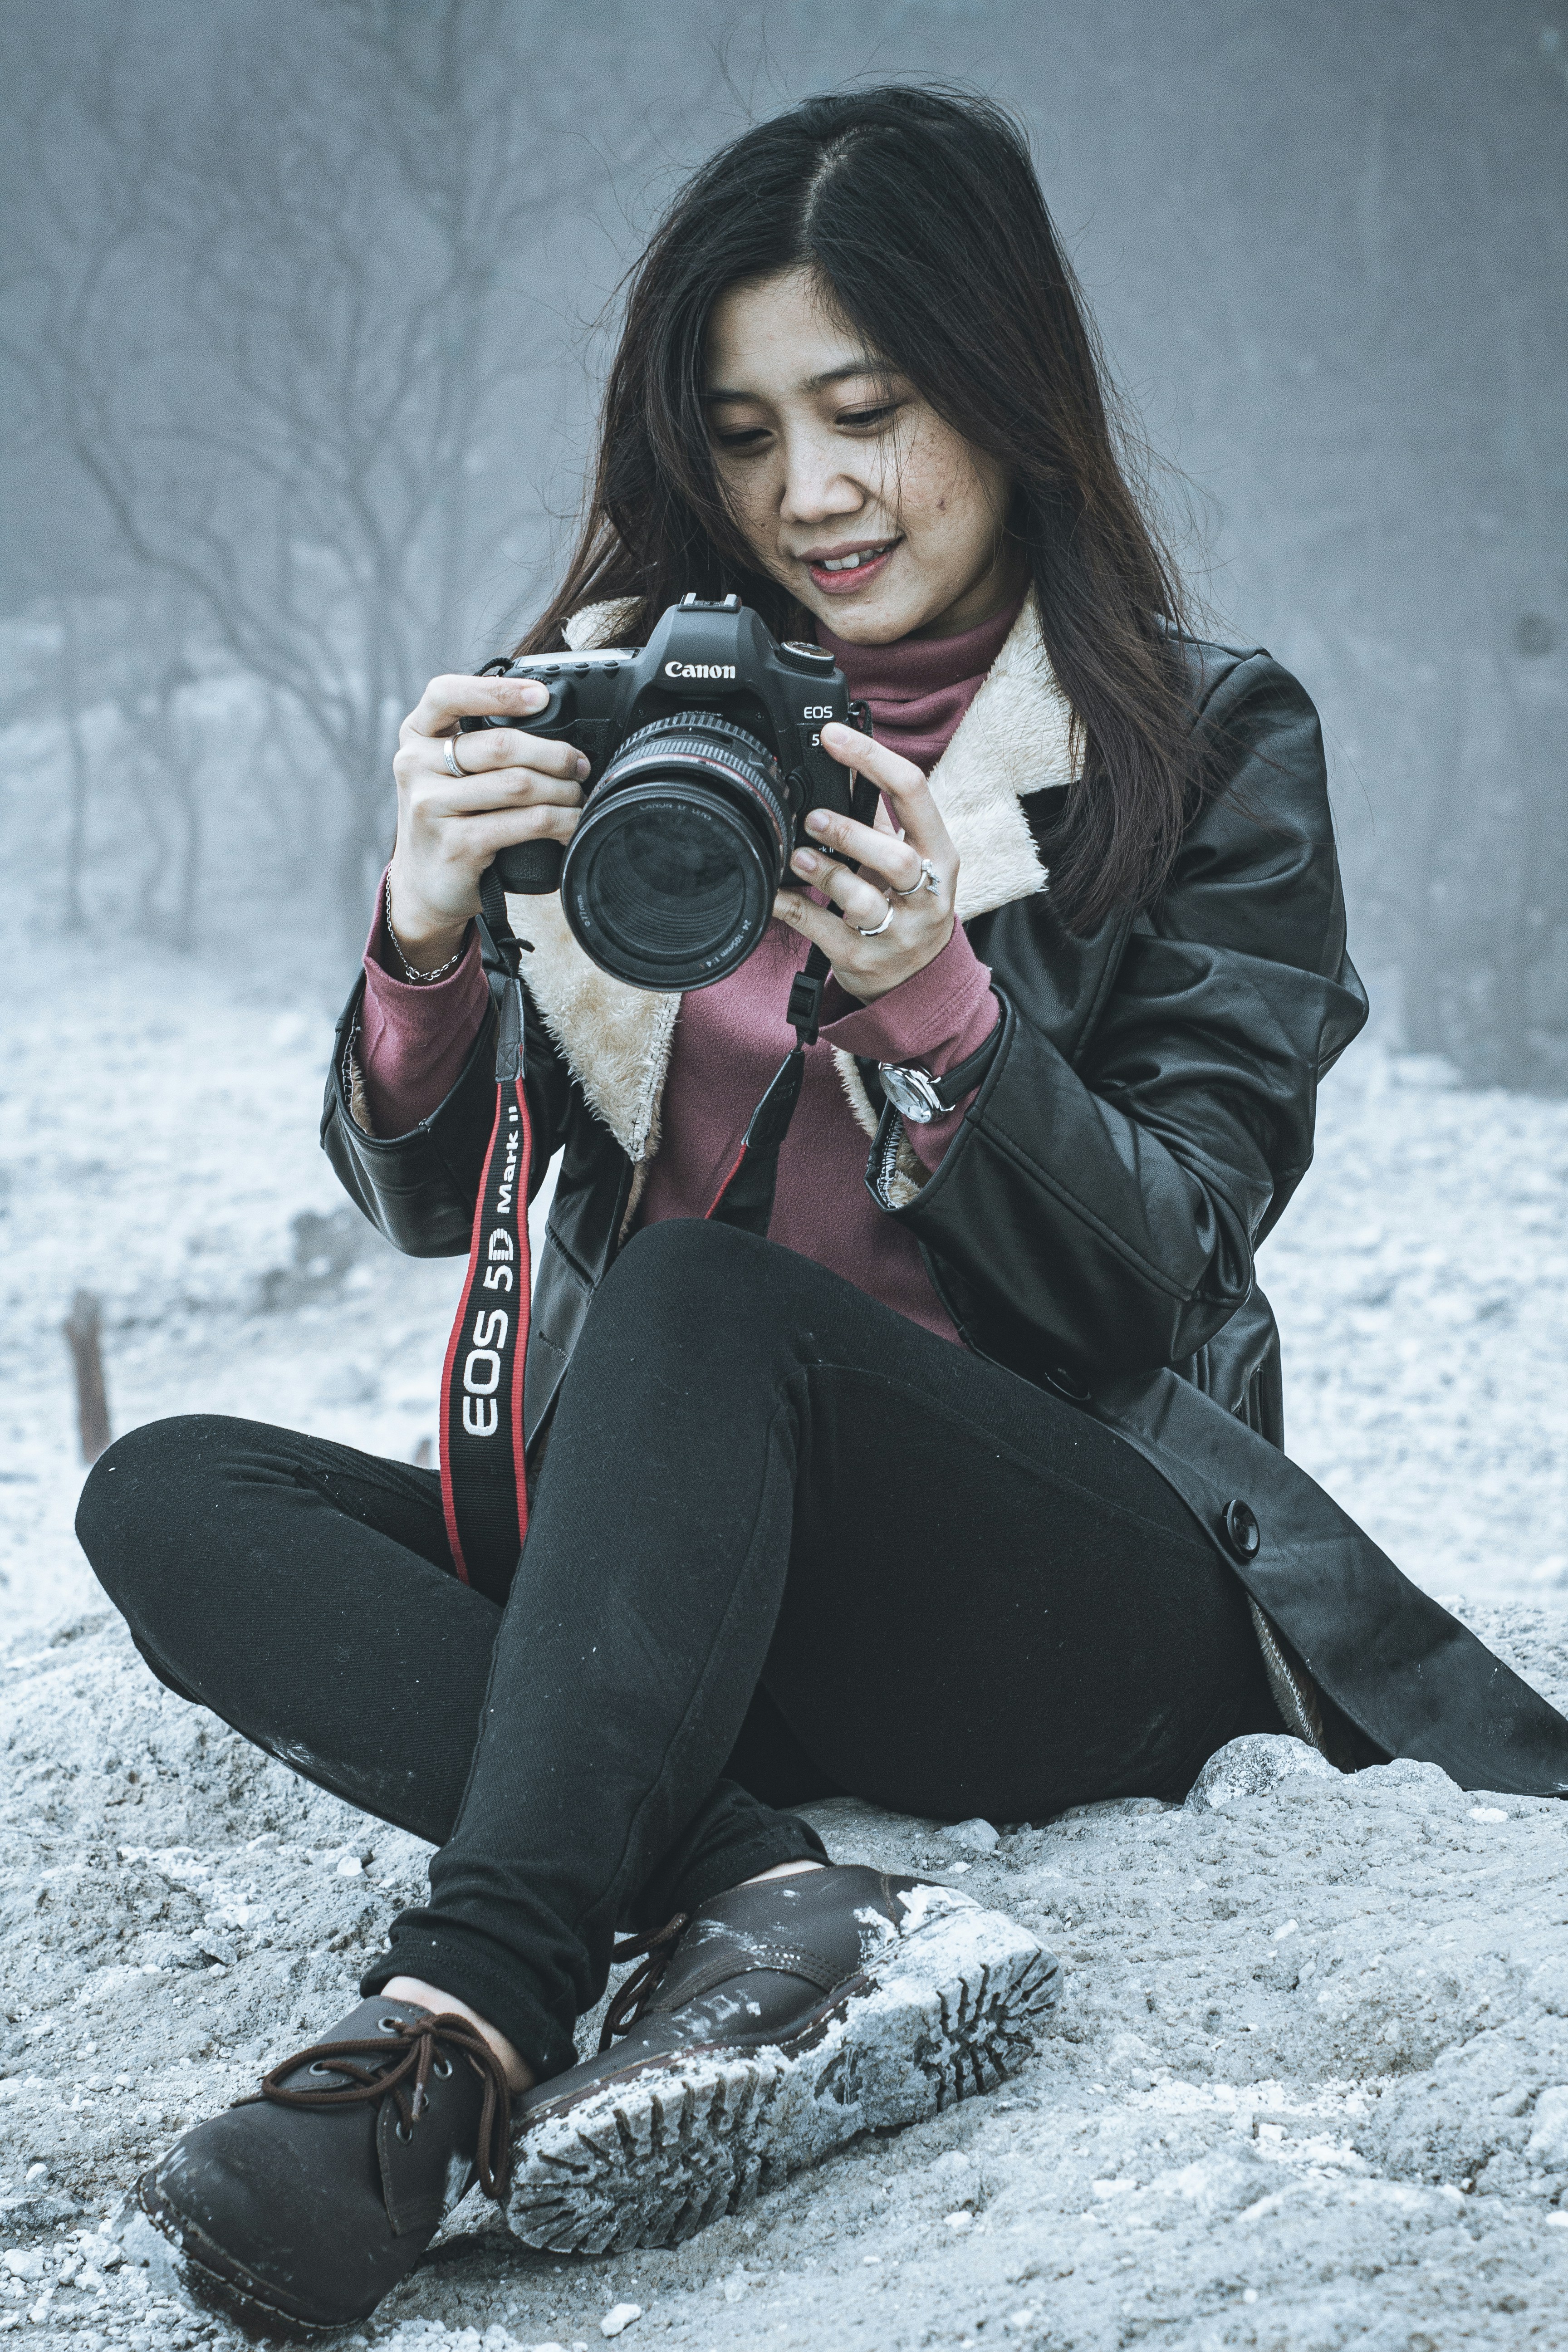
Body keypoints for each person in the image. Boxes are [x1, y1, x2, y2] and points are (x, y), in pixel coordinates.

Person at [76, 83, 1568, 2342]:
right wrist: (422, 929)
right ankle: (760, 1890)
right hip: (701, 1585)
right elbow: (424, 1214)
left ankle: (451, 2035)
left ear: (1004, 389)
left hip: (1081, 1580)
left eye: (869, 411)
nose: (814, 494)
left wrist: (947, 1015)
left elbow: (1177, 1254)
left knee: (695, 1299)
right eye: (751, 431)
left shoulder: (1207, 743)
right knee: (168, 1491)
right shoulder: (636, 717)